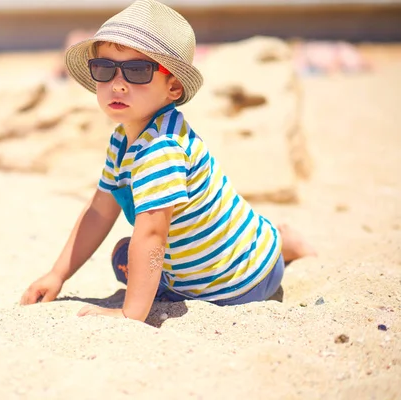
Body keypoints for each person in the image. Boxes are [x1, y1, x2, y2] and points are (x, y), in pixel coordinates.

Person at [20, 0, 316, 321]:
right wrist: (57, 275)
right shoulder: (123, 138)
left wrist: (129, 315)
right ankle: (273, 241)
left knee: (138, 250)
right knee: (123, 256)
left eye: (137, 71)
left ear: (173, 86)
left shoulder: (160, 150)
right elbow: (98, 212)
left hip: (243, 282)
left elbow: (152, 235)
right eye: (105, 69)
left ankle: (281, 245)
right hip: (196, 269)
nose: (118, 83)